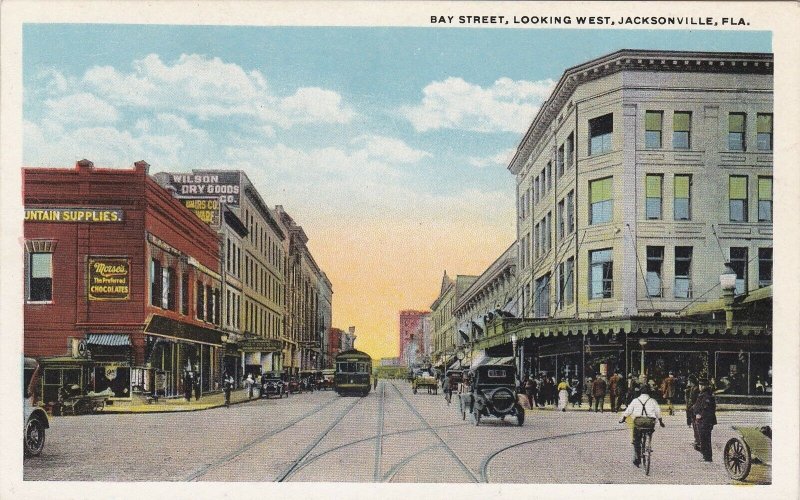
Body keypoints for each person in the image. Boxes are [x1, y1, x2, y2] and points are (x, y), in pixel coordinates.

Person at [619, 385, 665, 467]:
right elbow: (658, 412)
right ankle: (648, 444)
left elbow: (628, 411)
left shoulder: (635, 400)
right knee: (649, 431)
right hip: (650, 423)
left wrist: (623, 418)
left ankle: (638, 457)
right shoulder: (653, 401)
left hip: (638, 422)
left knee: (636, 440)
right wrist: (661, 422)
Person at [692, 378, 717, 462]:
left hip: (705, 421)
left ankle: (707, 457)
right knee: (704, 438)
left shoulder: (706, 394)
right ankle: (706, 456)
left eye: (700, 385)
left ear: (702, 386)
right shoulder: (705, 393)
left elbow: (706, 407)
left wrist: (700, 415)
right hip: (704, 420)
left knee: (705, 439)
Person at [685, 374, 700, 450]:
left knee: (696, 425)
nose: (688, 382)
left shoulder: (696, 389)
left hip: (694, 409)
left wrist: (692, 407)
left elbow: (695, 400)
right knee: (694, 425)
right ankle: (696, 440)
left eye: (689, 381)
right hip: (691, 410)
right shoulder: (691, 388)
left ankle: (698, 441)